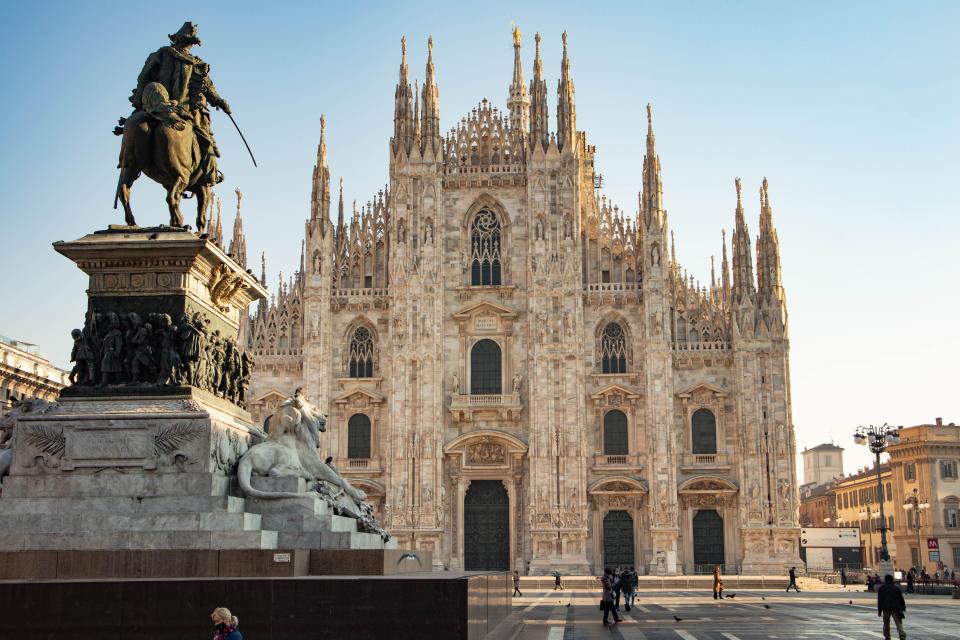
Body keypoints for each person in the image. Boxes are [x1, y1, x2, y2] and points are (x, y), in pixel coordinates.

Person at [877, 574, 906, 640]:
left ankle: (887, 636)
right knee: (898, 622)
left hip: (886, 608)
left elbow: (880, 600)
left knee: (886, 623)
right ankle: (901, 634)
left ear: (885, 580)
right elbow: (901, 599)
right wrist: (903, 607)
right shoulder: (896, 588)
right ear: (892, 580)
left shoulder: (881, 588)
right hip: (896, 608)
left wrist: (879, 611)